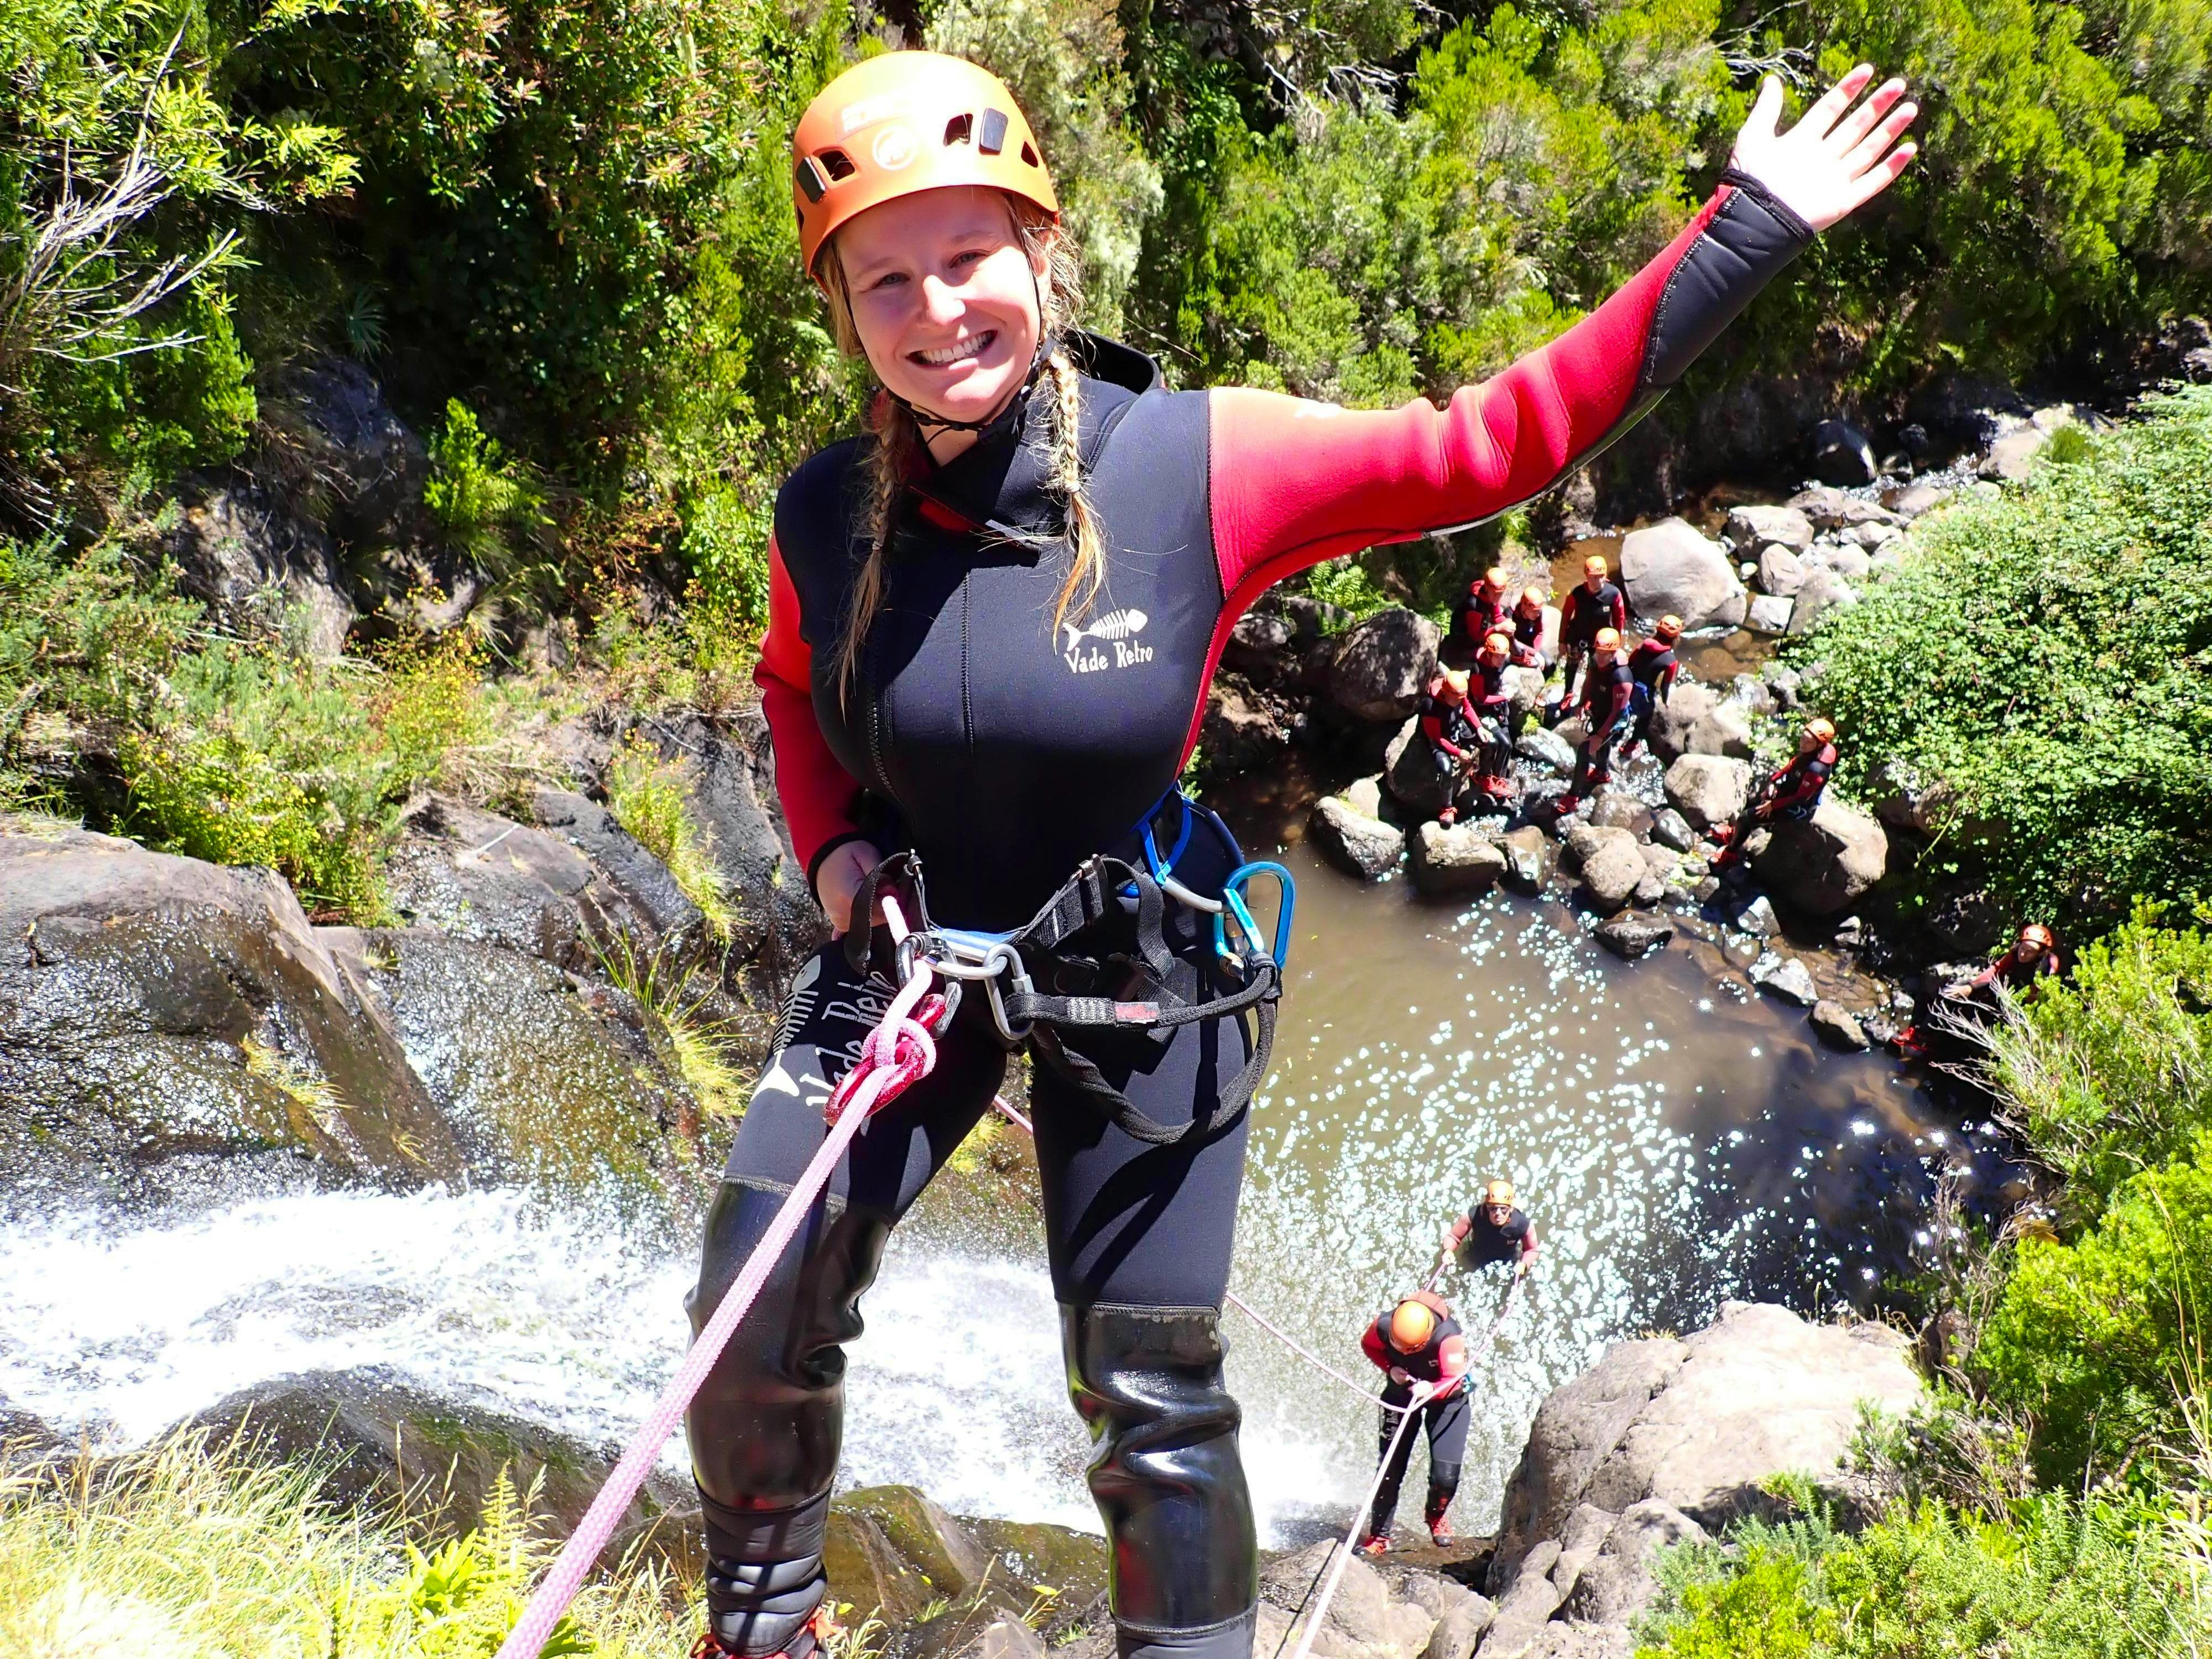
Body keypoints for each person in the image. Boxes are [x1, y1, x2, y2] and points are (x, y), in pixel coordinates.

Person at [693, 46, 1916, 1659]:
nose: (936, 311)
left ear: (1041, 248)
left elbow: (1490, 446)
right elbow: (794, 687)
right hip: (916, 946)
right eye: (885, 281)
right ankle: (761, 1630)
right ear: (841, 310)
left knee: (1147, 1393)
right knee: (750, 1303)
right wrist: (839, 855)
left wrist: (1745, 223)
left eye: (970, 254)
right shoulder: (823, 513)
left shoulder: (1192, 463)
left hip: (1138, 960)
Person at [1357, 1292, 1472, 1553]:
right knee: (1389, 1470)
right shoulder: (1383, 1326)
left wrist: (1431, 1388)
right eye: (1396, 1347)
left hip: (1446, 1401)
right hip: (1401, 1393)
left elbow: (1454, 1380)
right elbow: (1369, 1346)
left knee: (1445, 1477)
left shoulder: (1448, 1339)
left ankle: (1435, 1515)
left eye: (1408, 1350)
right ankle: (1379, 1537)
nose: (1401, 1353)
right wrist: (1390, 1368)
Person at [1713, 718, 1838, 867]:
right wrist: (1773, 781)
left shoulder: (1817, 770)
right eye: (1802, 739)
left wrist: (1773, 805)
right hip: (1789, 793)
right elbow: (1793, 764)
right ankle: (1737, 833)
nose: (1802, 744)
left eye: (1808, 742)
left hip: (1797, 810)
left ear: (1819, 745)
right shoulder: (1810, 751)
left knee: (1746, 817)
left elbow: (1801, 798)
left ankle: (1730, 852)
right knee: (1762, 797)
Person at [1552, 628, 1635, 816]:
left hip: (1614, 720)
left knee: (1584, 750)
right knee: (1600, 745)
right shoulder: (1595, 661)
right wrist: (1583, 703)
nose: (1601, 658)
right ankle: (1602, 772)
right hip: (1599, 711)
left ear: (1614, 653)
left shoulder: (1622, 678)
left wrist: (1599, 736)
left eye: (1606, 655)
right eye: (1599, 653)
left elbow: (1617, 712)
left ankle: (1573, 796)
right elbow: (1589, 681)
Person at [1556, 555, 1626, 709]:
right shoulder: (1577, 593)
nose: (1597, 581)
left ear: (1605, 576)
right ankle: (1568, 694)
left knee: (1595, 669)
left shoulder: (1613, 594)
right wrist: (1562, 641)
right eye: (1593, 577)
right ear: (1586, 576)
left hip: (1600, 640)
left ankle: (1587, 699)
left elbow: (1619, 619)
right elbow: (1566, 616)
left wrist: (1616, 643)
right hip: (1577, 636)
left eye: (1600, 577)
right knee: (1572, 666)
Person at [1420, 666, 1482, 824]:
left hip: (1455, 729)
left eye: (1461, 698)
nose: (1459, 701)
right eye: (1456, 699)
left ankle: (1484, 775)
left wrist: (1479, 727)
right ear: (1446, 692)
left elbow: (1467, 708)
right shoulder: (1430, 706)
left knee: (1488, 741)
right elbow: (1437, 738)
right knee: (1446, 769)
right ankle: (1446, 808)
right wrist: (1458, 752)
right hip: (1439, 741)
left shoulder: (1458, 695)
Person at [1442, 1178, 1540, 1275]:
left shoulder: (1522, 1224)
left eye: (1503, 1209)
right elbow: (1453, 1236)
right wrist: (1448, 1250)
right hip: (1477, 1253)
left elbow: (1532, 1250)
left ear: (1511, 1209)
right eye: (1493, 1209)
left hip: (1507, 1259)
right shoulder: (1474, 1216)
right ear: (1487, 1206)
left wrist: (1524, 1264)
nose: (1498, 1213)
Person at [1466, 634, 1519, 802]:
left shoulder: (1499, 665)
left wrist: (1504, 689)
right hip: (1482, 713)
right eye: (1497, 657)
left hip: (1496, 711)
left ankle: (1499, 778)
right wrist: (1503, 697)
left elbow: (1498, 681)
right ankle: (1484, 776)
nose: (1501, 660)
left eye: (1503, 657)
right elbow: (1480, 699)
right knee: (1500, 743)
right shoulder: (1478, 669)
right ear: (1489, 654)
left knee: (1508, 744)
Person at [1623, 615, 1683, 755]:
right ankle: (1632, 744)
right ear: (1676, 638)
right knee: (1646, 717)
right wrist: (1666, 701)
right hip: (1642, 691)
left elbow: (1630, 662)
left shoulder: (1645, 644)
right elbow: (1665, 686)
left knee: (1623, 709)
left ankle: (1617, 733)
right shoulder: (1671, 660)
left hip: (1628, 683)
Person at [1968, 923, 2061, 997]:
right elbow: (1996, 970)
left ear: (2041, 953)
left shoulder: (2048, 965)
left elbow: (2044, 991)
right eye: (2023, 948)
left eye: (2030, 951)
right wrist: (1971, 987)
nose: (2023, 954)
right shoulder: (2014, 953)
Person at [1452, 567, 1513, 664]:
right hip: (1464, 640)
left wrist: (1507, 623)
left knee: (1505, 635)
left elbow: (1497, 616)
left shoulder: (1491, 596)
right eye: (1495, 594)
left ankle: (1517, 653)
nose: (1497, 597)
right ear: (1487, 588)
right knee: (1493, 655)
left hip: (1481, 629)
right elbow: (1474, 636)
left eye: (1500, 594)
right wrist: (1498, 628)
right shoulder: (1474, 605)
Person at [1510, 586, 1553, 671]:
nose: (1538, 614)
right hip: (1514, 646)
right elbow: (1510, 638)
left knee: (1550, 665)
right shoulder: (1512, 614)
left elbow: (1539, 632)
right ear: (1524, 607)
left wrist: (1535, 651)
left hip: (1529, 643)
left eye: (1538, 611)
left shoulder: (1538, 614)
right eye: (1534, 611)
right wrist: (1529, 651)